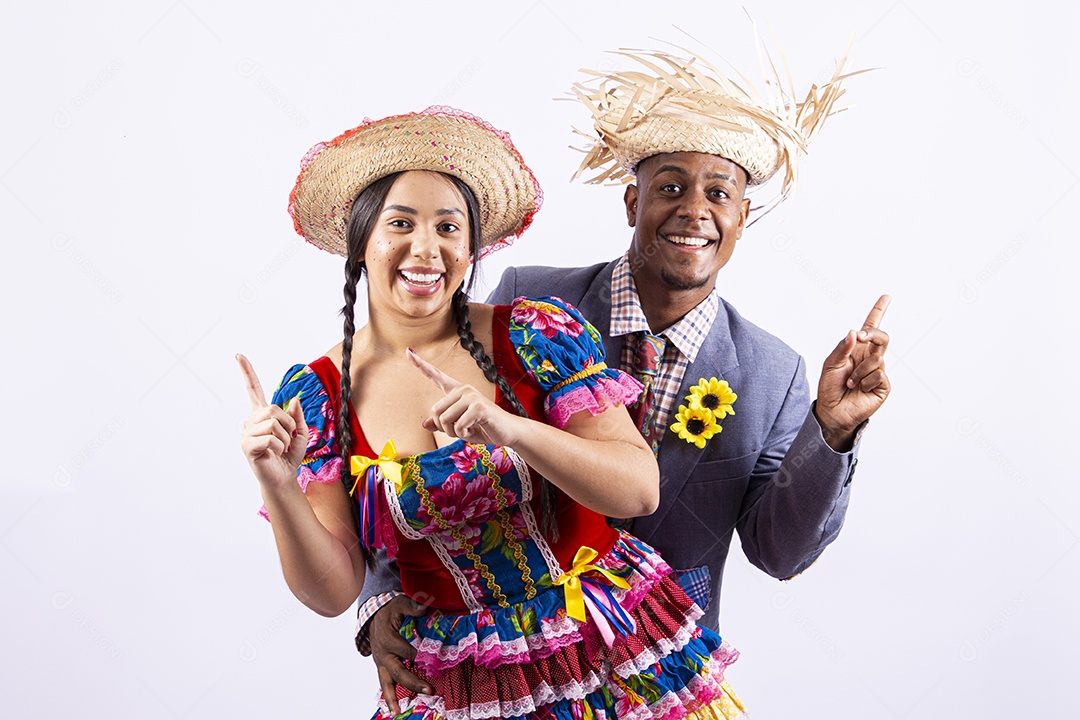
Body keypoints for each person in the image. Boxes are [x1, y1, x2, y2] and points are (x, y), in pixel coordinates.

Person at [362, 44, 891, 701]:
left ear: (741, 219)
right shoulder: (528, 307)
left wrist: (832, 430)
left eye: (718, 193)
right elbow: (407, 451)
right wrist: (379, 593)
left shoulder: (773, 373)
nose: (694, 209)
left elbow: (779, 553)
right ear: (631, 202)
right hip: (506, 667)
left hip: (664, 678)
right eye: (671, 187)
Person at [239, 106, 749, 720]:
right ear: (362, 243)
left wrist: (510, 428)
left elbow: (638, 492)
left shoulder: (536, 335)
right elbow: (333, 590)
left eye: (448, 228)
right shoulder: (320, 394)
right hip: (459, 680)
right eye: (401, 223)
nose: (426, 249)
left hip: (609, 648)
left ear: (471, 247)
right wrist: (277, 483)